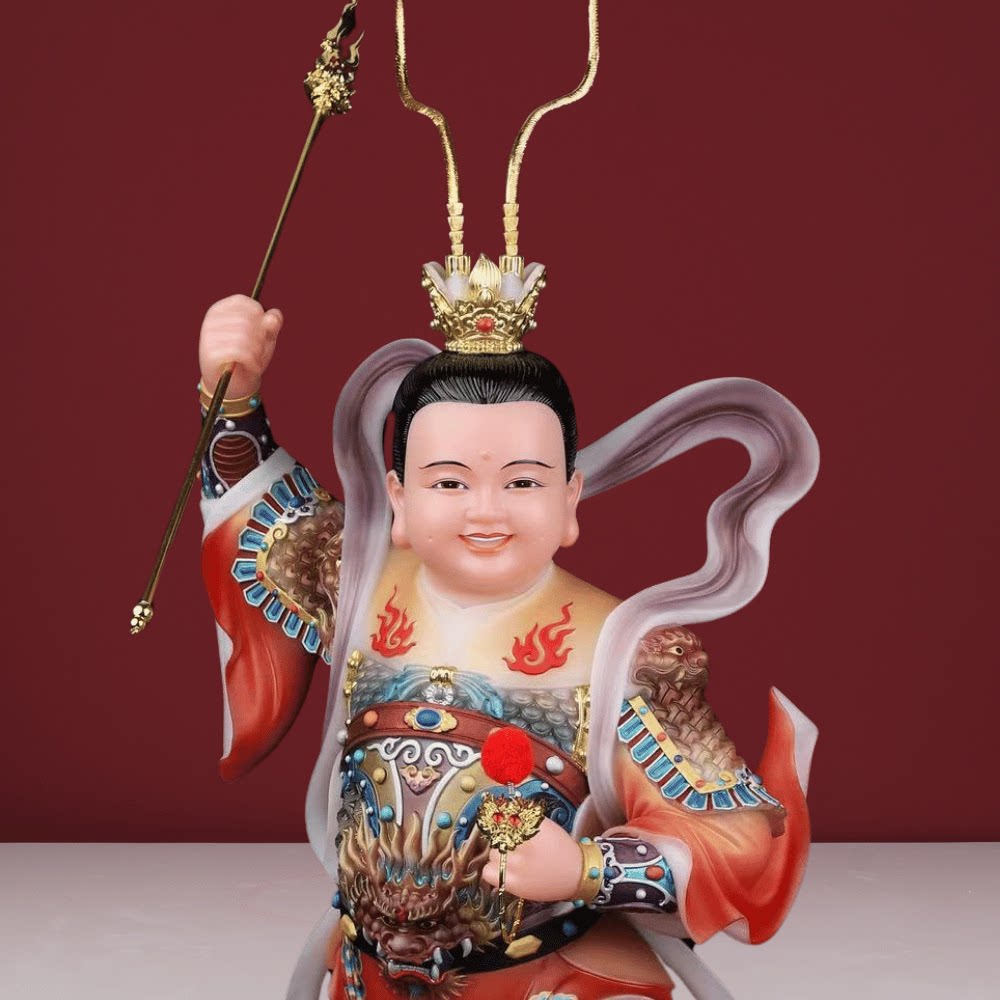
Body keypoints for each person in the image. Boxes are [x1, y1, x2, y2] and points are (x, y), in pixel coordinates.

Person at [196, 262, 819, 999]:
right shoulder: (356, 577)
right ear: (399, 498)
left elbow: (737, 841)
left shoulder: (626, 652)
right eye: (449, 481)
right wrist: (230, 398)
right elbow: (266, 518)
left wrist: (586, 870)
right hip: (368, 975)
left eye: (522, 481)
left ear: (569, 500)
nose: (485, 510)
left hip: (542, 979)